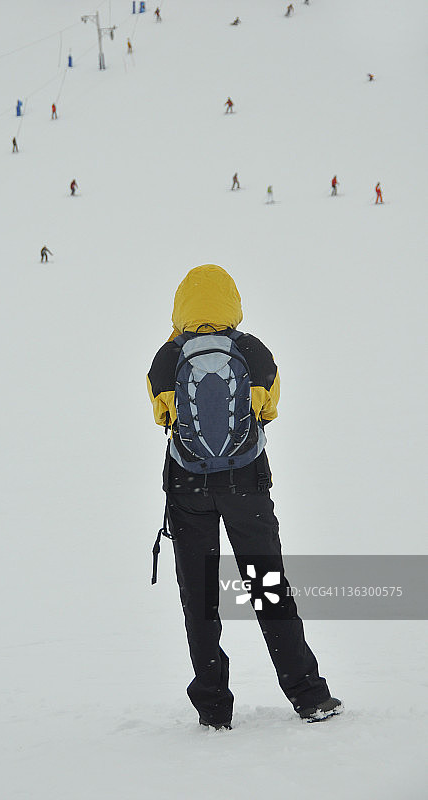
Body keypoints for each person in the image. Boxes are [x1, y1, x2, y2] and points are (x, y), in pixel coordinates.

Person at [147, 264, 342, 728]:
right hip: (247, 485)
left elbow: (161, 417)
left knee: (200, 599)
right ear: (232, 302)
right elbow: (268, 409)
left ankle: (213, 709)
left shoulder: (165, 358)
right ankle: (309, 695)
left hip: (187, 489)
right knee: (268, 587)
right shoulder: (254, 351)